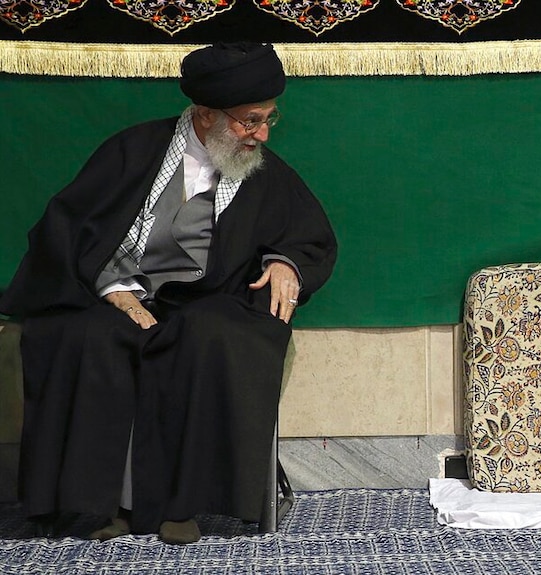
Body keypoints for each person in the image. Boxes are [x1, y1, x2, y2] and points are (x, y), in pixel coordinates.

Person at [0, 42, 337, 543]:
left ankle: (181, 505)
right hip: (111, 294)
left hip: (204, 302)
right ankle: (96, 505)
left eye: (269, 119)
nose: (261, 134)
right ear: (205, 115)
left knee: (212, 336)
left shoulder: (264, 173)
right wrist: (114, 287)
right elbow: (68, 230)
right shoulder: (132, 151)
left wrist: (284, 263)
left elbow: (305, 236)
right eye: (250, 121)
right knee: (86, 337)